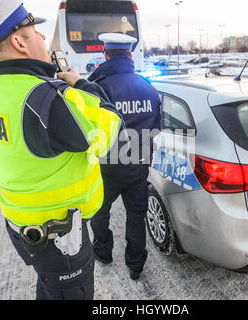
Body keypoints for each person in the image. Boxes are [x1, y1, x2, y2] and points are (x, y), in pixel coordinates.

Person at [0, 0, 121, 300]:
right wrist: (83, 85)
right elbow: (108, 130)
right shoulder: (43, 97)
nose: (44, 38)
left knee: (50, 288)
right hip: (59, 238)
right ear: (19, 42)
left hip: (24, 225)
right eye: (36, 32)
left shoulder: (1, 90)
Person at [88, 33, 162, 280]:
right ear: (130, 55)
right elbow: (157, 126)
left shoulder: (97, 87)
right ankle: (136, 265)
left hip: (107, 166)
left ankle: (103, 251)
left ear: (105, 55)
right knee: (136, 215)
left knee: (100, 212)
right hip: (138, 163)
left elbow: (87, 127)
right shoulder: (146, 85)